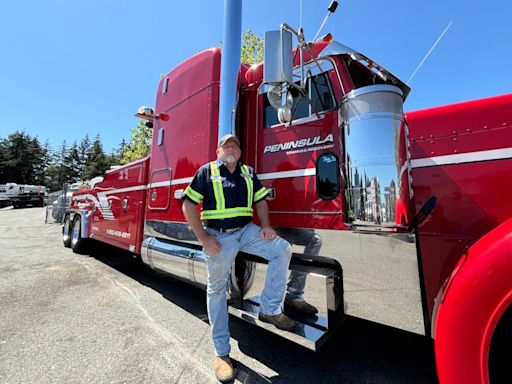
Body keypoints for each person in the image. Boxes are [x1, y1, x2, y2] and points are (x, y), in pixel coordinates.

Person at [182, 134, 296, 383]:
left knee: (281, 249)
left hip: (247, 231)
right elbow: (188, 206)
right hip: (218, 236)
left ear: (240, 151)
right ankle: (221, 354)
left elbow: (261, 201)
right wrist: (204, 239)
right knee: (216, 290)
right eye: (226, 145)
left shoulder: (248, 172)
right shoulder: (207, 171)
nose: (231, 147)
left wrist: (265, 226)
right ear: (218, 151)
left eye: (235, 145)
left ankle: (269, 309)